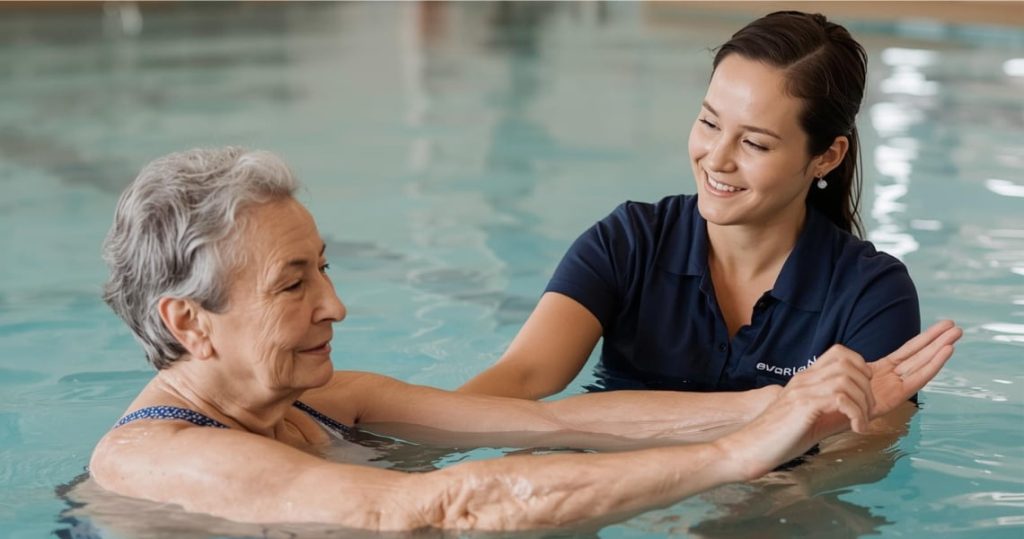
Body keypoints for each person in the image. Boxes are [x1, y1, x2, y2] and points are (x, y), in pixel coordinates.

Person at [88, 147, 960, 531]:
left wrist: (794, 407)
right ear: (188, 321)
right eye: (293, 283)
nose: (336, 305)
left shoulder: (321, 399)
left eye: (323, 268)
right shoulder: (157, 460)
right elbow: (438, 508)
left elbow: (538, 421)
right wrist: (736, 454)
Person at [459, 11, 922, 399]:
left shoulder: (871, 295)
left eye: (755, 144)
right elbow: (520, 376)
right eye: (709, 122)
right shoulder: (630, 243)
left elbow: (858, 458)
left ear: (826, 157)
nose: (717, 158)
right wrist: (408, 453)